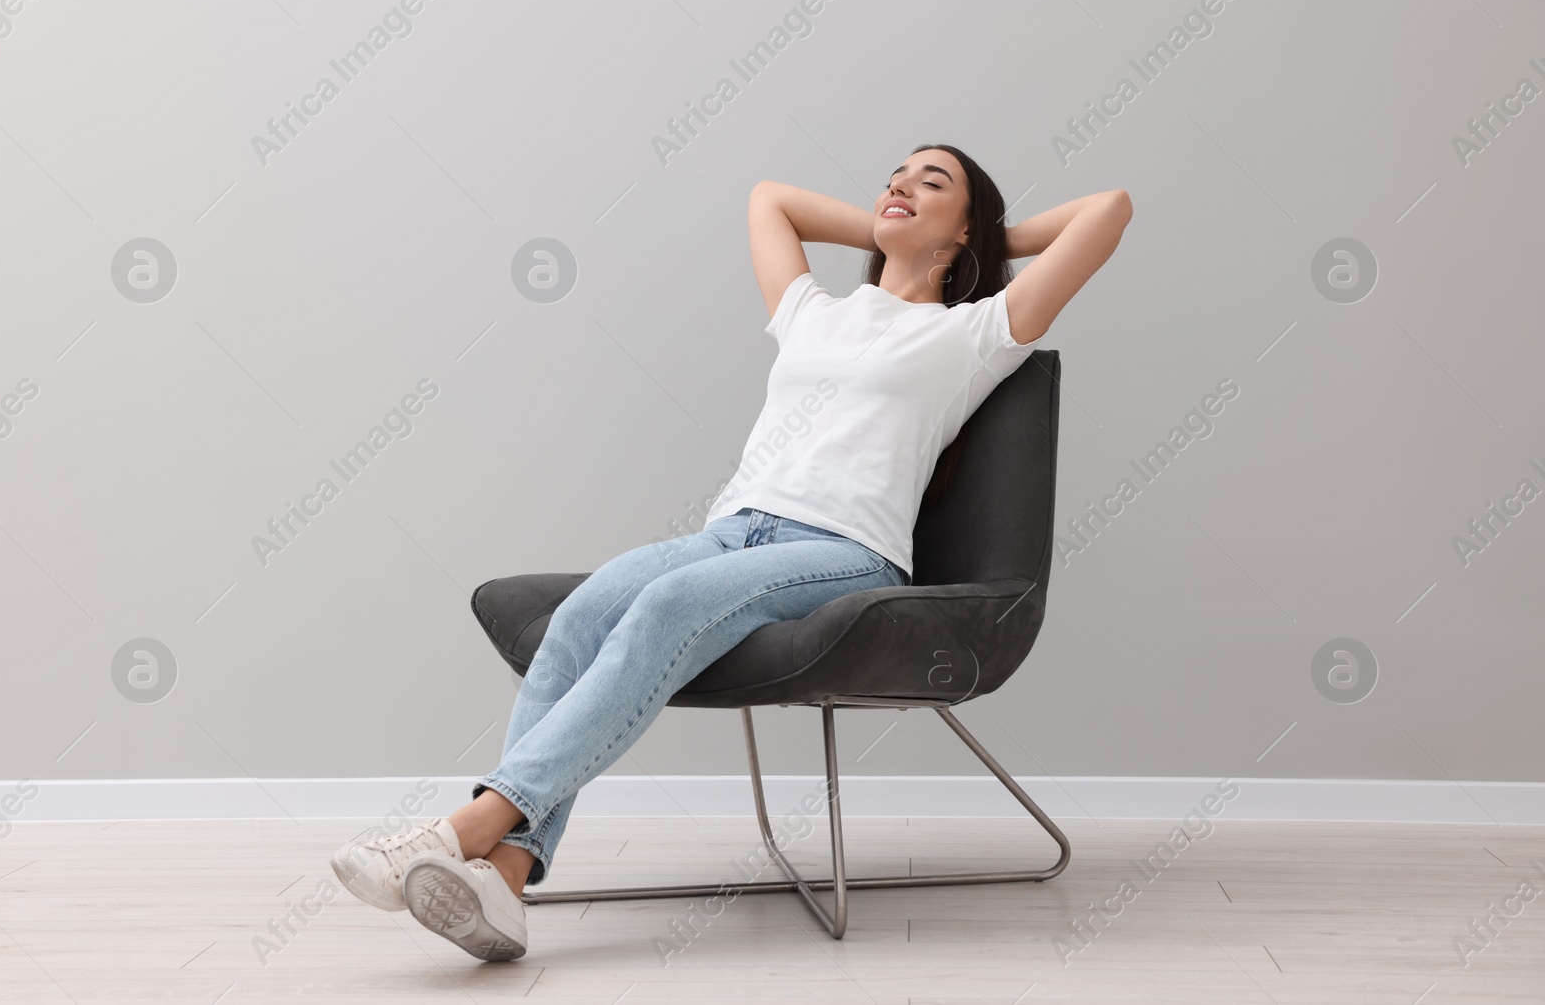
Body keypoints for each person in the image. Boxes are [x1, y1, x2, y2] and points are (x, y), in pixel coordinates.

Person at [329, 144, 1132, 961]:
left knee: (664, 607)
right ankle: (503, 878)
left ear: (965, 232)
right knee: (578, 619)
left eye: (933, 182)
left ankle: (459, 827)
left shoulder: (974, 332)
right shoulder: (812, 310)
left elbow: (1110, 209)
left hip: (845, 551)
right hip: (730, 530)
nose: (900, 184)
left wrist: (989, 242)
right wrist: (902, 223)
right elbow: (769, 199)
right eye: (895, 174)